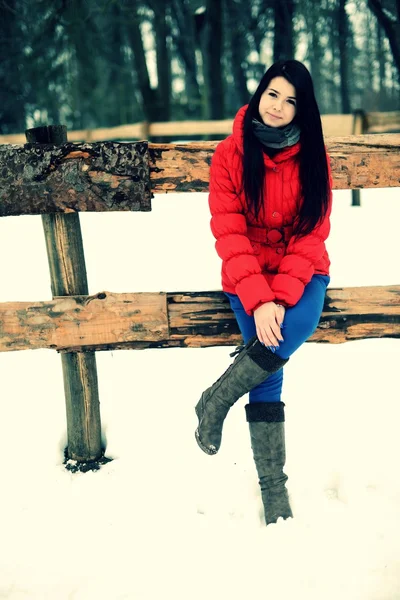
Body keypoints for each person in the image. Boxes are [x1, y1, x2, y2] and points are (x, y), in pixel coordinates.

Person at [194, 59, 332, 526]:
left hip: (302, 272)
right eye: (272, 94)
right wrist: (259, 296)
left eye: (291, 100)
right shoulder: (230, 153)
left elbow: (313, 233)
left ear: (302, 109)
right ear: (259, 94)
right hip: (247, 272)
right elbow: (229, 233)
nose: (278, 106)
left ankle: (216, 399)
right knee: (268, 366)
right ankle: (274, 491)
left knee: (291, 326)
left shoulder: (314, 155)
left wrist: (283, 294)